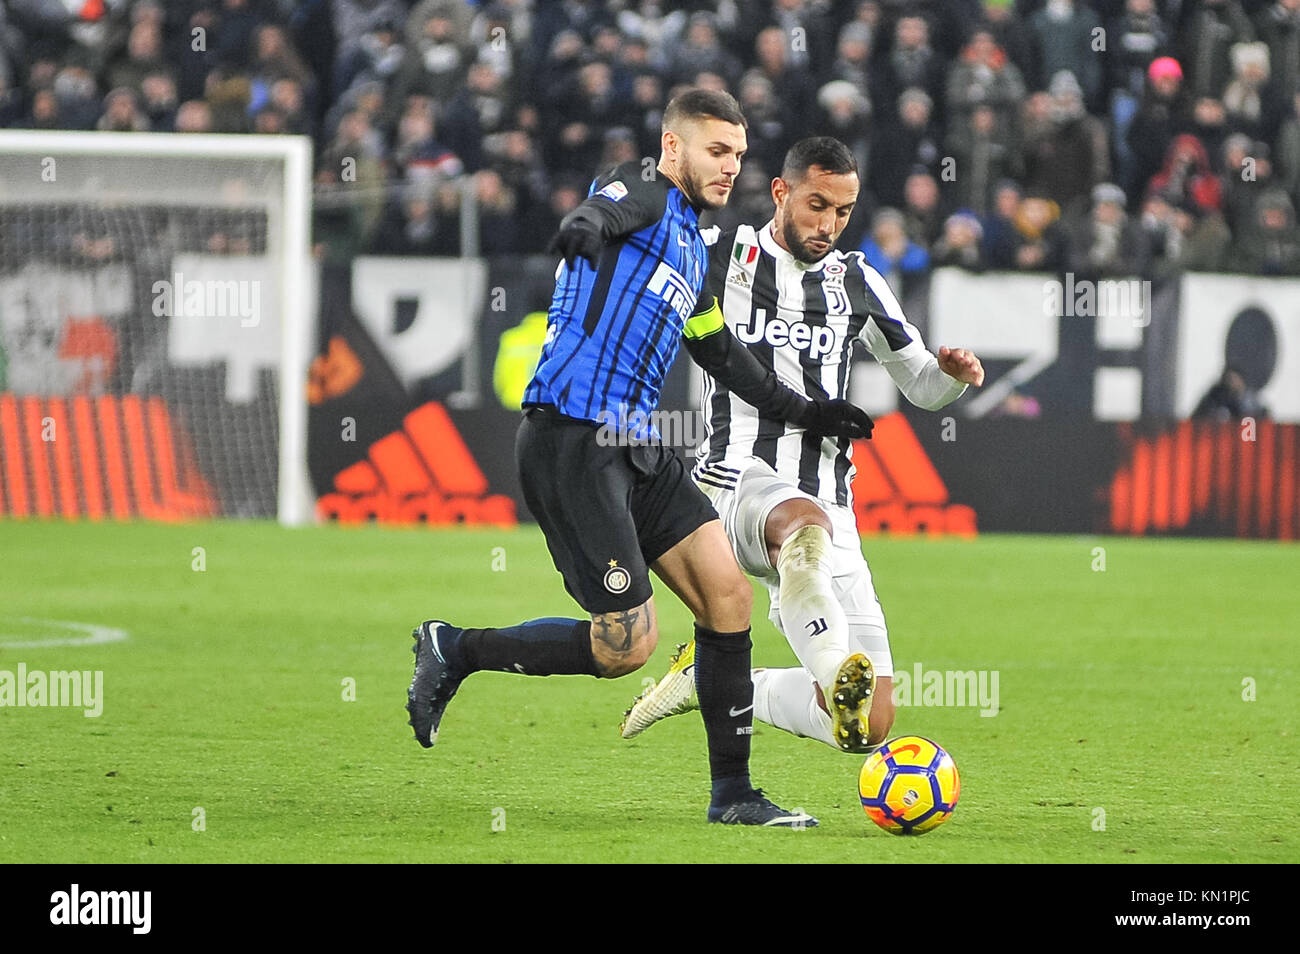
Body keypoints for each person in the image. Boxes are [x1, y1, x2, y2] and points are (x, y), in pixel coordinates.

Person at [405, 90, 871, 826]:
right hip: (571, 437)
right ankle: (454, 648)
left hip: (636, 443)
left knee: (730, 596)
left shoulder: (693, 243)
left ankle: (734, 796)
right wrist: (584, 227)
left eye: (739, 155)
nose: (730, 168)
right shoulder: (645, 192)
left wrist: (808, 412)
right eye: (717, 151)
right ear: (674, 146)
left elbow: (722, 352)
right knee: (626, 645)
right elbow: (606, 209)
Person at [620, 136, 985, 756]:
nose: (829, 225)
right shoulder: (718, 253)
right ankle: (819, 662)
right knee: (800, 525)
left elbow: (921, 386)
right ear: (781, 192)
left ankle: (710, 680)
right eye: (818, 205)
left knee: (868, 726)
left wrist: (951, 375)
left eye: (844, 212)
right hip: (734, 482)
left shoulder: (857, 281)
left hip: (829, 498)